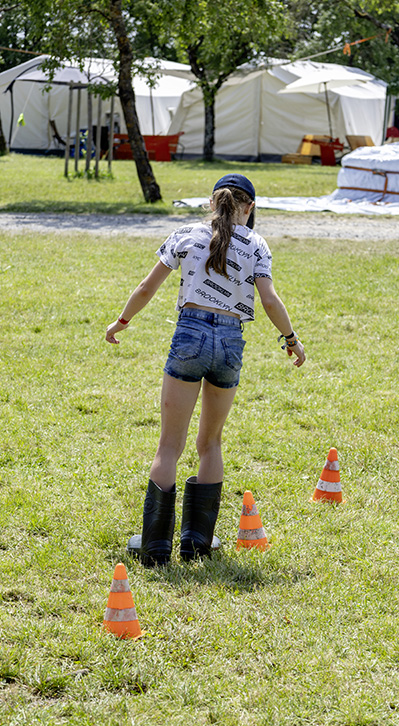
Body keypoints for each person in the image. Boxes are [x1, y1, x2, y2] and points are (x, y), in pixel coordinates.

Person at [105, 173, 305, 565]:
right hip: (231, 341)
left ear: (213, 203)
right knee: (209, 443)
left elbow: (147, 288)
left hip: (189, 334)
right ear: (249, 208)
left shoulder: (184, 234)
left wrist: (121, 322)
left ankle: (155, 548)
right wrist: (291, 339)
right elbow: (269, 300)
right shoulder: (257, 244)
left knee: (169, 446)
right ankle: (197, 544)